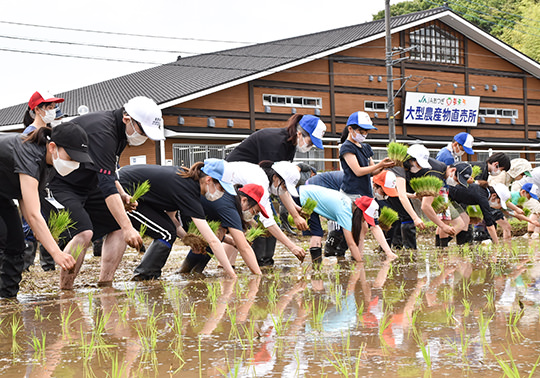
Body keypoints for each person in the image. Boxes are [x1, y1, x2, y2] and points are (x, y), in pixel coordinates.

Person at [47, 96, 165, 289]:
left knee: (116, 225)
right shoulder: (104, 131)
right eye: (143, 131)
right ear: (127, 119)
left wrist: (123, 195)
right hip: (63, 181)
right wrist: (129, 228)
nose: (144, 137)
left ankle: (105, 283)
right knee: (84, 233)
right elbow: (106, 183)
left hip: (88, 182)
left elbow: (109, 172)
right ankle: (66, 290)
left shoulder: (120, 133)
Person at [0, 122, 93, 298]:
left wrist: (40, 231)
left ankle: (7, 300)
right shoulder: (29, 154)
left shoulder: (48, 165)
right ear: (53, 147)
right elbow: (34, 215)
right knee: (3, 238)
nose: (74, 163)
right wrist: (56, 253)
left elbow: (26, 201)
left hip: (3, 193)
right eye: (71, 157)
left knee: (17, 243)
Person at [118, 160, 240, 280]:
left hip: (131, 188)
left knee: (167, 231)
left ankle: (147, 275)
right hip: (123, 191)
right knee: (165, 234)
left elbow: (172, 221)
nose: (222, 193)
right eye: (222, 189)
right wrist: (232, 275)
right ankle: (143, 277)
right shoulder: (187, 189)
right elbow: (213, 241)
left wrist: (189, 240)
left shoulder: (187, 182)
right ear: (209, 180)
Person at [221, 159, 306, 266]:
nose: (284, 191)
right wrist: (292, 247)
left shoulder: (261, 177)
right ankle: (226, 266)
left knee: (239, 226)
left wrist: (255, 225)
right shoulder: (260, 183)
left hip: (224, 194)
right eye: (284, 186)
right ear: (275, 177)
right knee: (234, 229)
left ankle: (226, 266)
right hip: (215, 191)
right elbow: (269, 222)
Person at [179, 183, 268, 275]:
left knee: (216, 235)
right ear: (244, 200)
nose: (253, 215)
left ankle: (190, 273)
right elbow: (244, 248)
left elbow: (217, 235)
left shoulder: (231, 200)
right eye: (254, 211)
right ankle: (185, 271)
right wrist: (258, 276)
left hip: (193, 213)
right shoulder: (229, 207)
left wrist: (233, 242)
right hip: (180, 211)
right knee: (212, 240)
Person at [298, 185, 397, 262]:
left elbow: (361, 235)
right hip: (302, 196)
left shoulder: (349, 205)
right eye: (364, 218)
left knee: (317, 233)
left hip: (307, 195)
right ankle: (316, 268)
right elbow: (351, 244)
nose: (363, 221)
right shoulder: (345, 212)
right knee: (317, 234)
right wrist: (360, 263)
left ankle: (317, 268)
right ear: (360, 213)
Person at [225, 114, 326, 164]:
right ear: (299, 134)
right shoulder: (275, 143)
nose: (310, 146)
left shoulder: (290, 145)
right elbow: (271, 178)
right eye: (310, 142)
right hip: (232, 174)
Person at [339, 111, 393, 199]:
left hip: (366, 192)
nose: (364, 135)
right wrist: (380, 164)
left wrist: (384, 166)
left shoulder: (366, 147)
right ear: (350, 129)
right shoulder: (347, 147)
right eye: (361, 132)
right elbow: (358, 171)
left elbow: (372, 171)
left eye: (366, 132)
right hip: (352, 193)